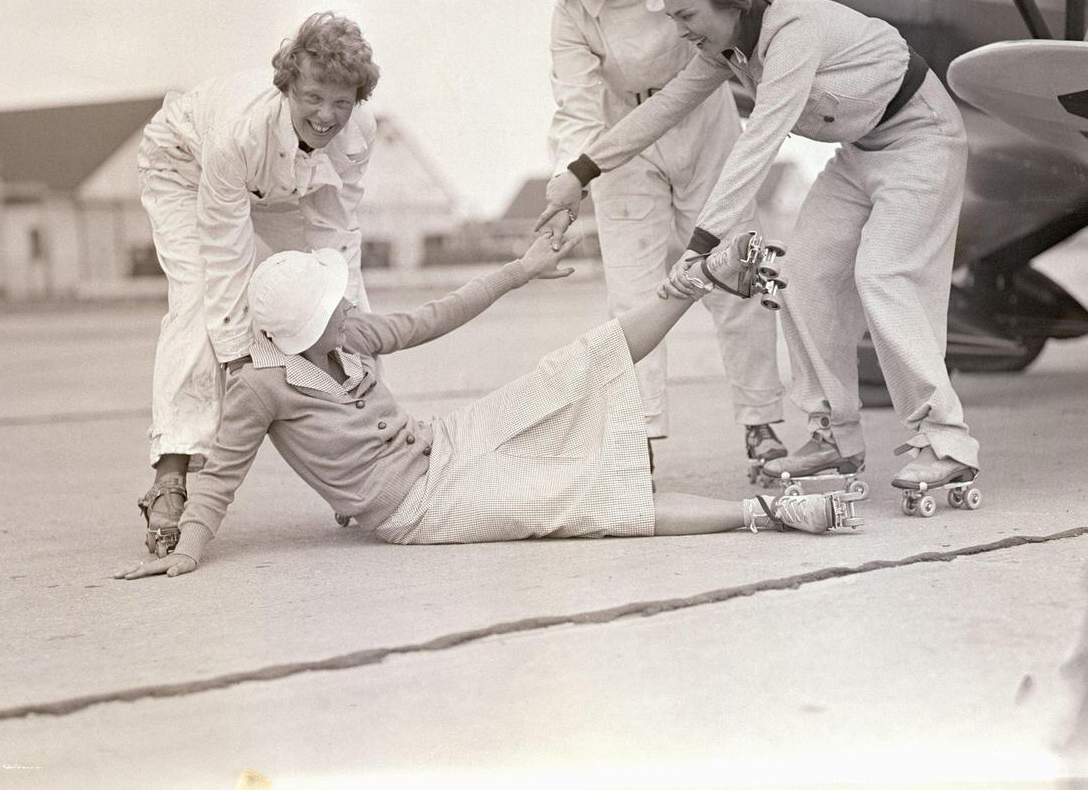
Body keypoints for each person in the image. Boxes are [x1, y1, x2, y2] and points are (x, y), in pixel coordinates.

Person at [115, 233, 865, 579]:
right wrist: (185, 548)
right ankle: (765, 514)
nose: (347, 310)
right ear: (301, 330)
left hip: (443, 443)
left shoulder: (348, 336)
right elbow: (221, 474)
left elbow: (437, 315)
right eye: (331, 306)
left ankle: (692, 280)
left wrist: (519, 270)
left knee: (568, 369)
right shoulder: (260, 385)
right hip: (419, 507)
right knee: (578, 498)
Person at [537, 0, 980, 493]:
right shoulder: (728, 50)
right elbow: (662, 109)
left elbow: (760, 141)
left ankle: (946, 442)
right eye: (673, 17)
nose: (680, 31)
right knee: (798, 276)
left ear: (731, 4)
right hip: (861, 151)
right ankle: (835, 436)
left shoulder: (793, 32)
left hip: (922, 139)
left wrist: (701, 244)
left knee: (883, 275)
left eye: (687, 16)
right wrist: (581, 170)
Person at [542, 0, 788, 473]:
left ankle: (762, 425)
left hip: (703, 122)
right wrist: (566, 177)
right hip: (621, 138)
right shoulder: (572, 8)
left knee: (735, 271)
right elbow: (575, 103)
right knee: (633, 293)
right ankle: (640, 436)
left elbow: (739, 24)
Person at [135, 11, 383, 557]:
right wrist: (238, 363)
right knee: (201, 298)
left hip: (277, 183)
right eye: (313, 97)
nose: (326, 115)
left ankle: (356, 460)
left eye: (341, 102)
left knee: (326, 302)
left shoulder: (357, 132)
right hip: (186, 166)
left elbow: (337, 241)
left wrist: (352, 345)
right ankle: (171, 474)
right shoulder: (240, 130)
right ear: (288, 85)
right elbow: (227, 252)